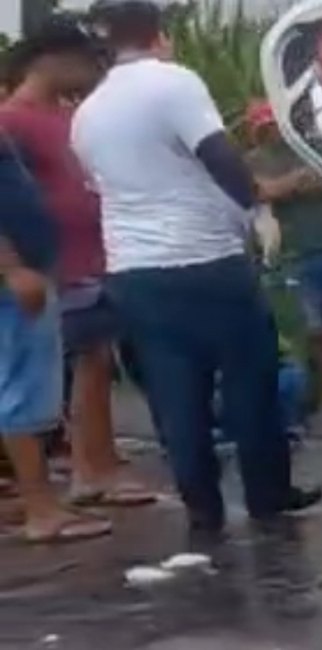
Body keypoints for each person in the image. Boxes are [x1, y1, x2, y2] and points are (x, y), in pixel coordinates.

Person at [72, 0, 321, 532]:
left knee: (174, 390)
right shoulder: (173, 83)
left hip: (135, 272)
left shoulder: (87, 113)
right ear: (159, 35)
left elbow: (103, 188)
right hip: (205, 258)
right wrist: (257, 199)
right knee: (249, 378)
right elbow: (218, 154)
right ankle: (268, 496)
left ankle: (203, 508)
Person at [0, 17, 155, 508]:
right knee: (78, 362)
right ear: (50, 60)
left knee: (97, 359)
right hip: (52, 261)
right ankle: (87, 469)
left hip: (90, 252)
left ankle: (99, 461)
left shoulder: (70, 116)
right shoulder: (14, 119)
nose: (94, 71)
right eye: (86, 60)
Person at [0, 126, 111, 543]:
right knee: (19, 393)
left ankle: (40, 500)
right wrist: (12, 267)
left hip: (26, 270)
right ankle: (41, 510)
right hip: (14, 278)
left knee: (21, 389)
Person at [244, 100, 322, 434]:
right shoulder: (255, 160)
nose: (271, 133)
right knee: (318, 331)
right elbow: (260, 191)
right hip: (296, 254)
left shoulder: (310, 146)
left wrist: (290, 185)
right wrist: (297, 181)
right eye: (263, 128)